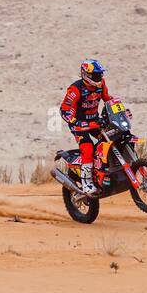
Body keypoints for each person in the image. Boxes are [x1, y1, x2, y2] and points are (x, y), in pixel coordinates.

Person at [60, 59, 111, 194]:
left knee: (110, 138)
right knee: (87, 148)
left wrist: (119, 109)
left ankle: (105, 172)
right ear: (86, 75)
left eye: (100, 74)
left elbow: (107, 98)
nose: (99, 78)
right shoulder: (75, 89)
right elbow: (64, 109)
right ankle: (87, 183)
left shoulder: (101, 85)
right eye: (96, 75)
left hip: (95, 121)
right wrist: (74, 121)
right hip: (79, 125)